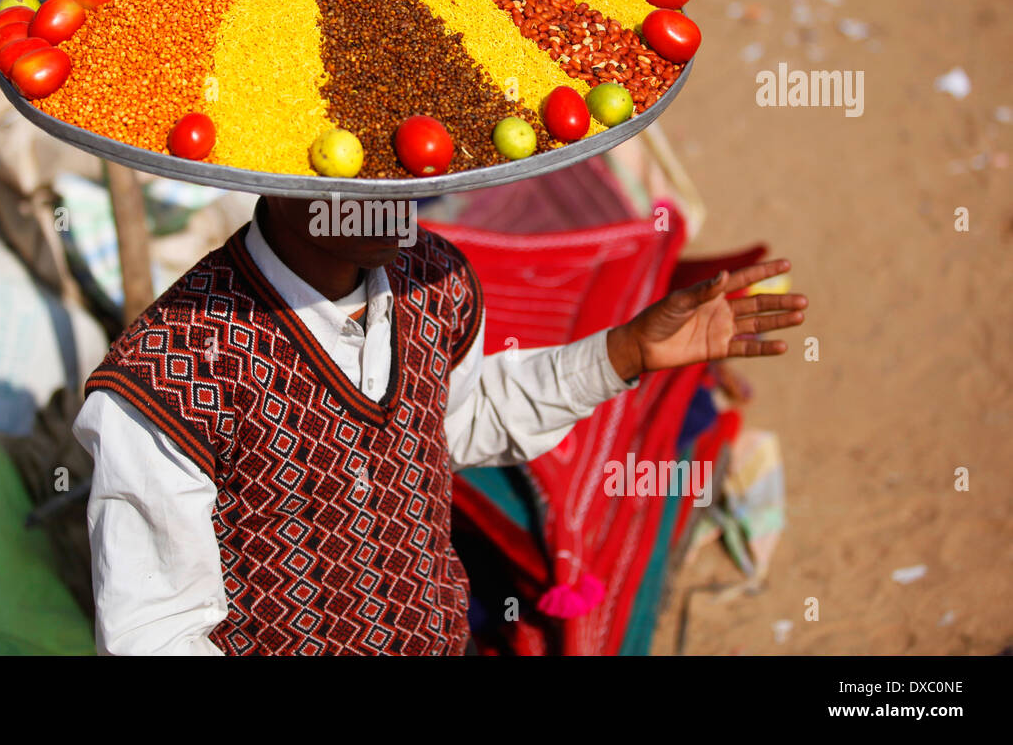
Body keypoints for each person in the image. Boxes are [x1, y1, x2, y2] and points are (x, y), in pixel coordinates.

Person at [74, 195, 807, 655]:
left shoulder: (436, 278)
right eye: (362, 161)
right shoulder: (170, 371)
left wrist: (626, 352)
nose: (400, 188)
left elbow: (460, 420)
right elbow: (154, 632)